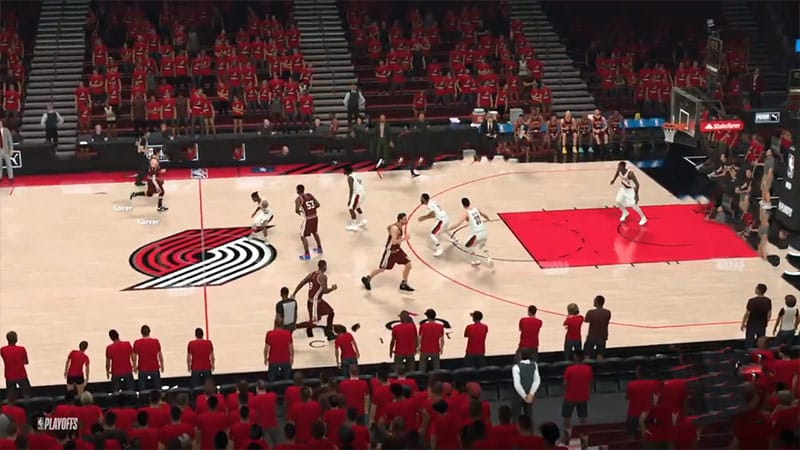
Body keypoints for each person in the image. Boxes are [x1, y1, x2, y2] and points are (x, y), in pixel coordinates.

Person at [361, 213, 415, 292]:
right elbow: (394, 242)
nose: (406, 221)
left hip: (398, 251)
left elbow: (388, 227)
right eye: (404, 219)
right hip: (390, 252)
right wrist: (405, 238)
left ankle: (404, 284)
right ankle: (368, 278)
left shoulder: (398, 226)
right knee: (382, 268)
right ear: (400, 220)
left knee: (408, 265)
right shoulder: (395, 228)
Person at [291, 259, 338, 341]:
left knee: (331, 312)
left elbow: (302, 283)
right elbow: (324, 291)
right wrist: (332, 288)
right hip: (315, 303)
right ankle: (293, 326)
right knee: (313, 323)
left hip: (314, 301)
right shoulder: (323, 277)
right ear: (324, 267)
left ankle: (330, 333)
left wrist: (294, 293)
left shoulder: (312, 274)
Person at [448, 197, 492, 267]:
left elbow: (457, 224)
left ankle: (475, 260)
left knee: (467, 246)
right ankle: (489, 257)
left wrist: (448, 229)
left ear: (462, 205)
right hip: (484, 231)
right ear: (469, 203)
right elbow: (484, 215)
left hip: (476, 234)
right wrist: (488, 219)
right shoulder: (476, 209)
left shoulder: (466, 213)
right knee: (482, 244)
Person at [562, 350, 593, 434]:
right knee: (583, 417)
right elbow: (590, 383)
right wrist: (588, 393)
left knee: (567, 416)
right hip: (583, 396)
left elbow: (564, 383)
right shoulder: (588, 369)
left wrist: (565, 391)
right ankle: (584, 434)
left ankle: (568, 434)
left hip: (570, 396)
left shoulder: (569, 369)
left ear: (575, 357)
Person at [610, 161, 647, 226]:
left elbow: (637, 184)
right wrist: (613, 180)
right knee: (618, 201)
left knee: (633, 205)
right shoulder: (619, 170)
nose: (618, 167)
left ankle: (643, 218)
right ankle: (625, 212)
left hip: (631, 190)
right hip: (623, 189)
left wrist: (636, 195)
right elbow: (617, 174)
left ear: (623, 167)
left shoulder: (630, 173)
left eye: (619, 166)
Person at [295, 184, 323, 261]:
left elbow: (296, 210)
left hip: (308, 218)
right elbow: (318, 204)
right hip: (315, 216)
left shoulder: (298, 199)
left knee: (302, 236)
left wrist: (301, 212)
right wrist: (311, 209)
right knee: (314, 232)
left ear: (297, 191)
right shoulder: (310, 195)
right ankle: (319, 248)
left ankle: (307, 254)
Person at [133, 325, 164, 391]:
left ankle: (143, 397)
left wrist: (134, 365)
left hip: (142, 368)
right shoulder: (155, 341)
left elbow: (134, 355)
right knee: (157, 388)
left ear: (141, 332)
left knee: (142, 388)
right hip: (154, 367)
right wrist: (162, 364)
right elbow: (160, 354)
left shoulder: (137, 343)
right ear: (149, 332)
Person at [511, 349, 541, 420]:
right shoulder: (534, 365)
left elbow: (517, 385)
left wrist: (524, 396)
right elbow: (537, 380)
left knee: (516, 416)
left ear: (520, 356)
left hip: (518, 395)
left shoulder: (516, 367)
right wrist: (531, 394)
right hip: (529, 394)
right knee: (529, 416)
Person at [0, 332, 30, 399]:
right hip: (21, 375)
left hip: (9, 376)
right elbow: (26, 362)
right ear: (16, 339)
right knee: (26, 395)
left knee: (11, 397)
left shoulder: (2, 350)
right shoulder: (22, 349)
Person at [741, 283, 772, 348]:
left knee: (749, 343)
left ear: (758, 290)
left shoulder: (752, 301)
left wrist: (743, 324)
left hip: (751, 325)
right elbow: (769, 314)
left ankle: (749, 353)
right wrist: (766, 322)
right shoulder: (768, 301)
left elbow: (747, 314)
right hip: (762, 325)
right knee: (761, 344)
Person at [264, 317, 293, 381]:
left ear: (274, 324)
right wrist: (291, 357)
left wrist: (265, 358)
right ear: (283, 324)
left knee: (271, 379)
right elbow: (291, 347)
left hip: (273, 360)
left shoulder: (269, 334)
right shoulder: (288, 333)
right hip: (285, 360)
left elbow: (266, 348)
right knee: (287, 379)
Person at [344, 166, 367, 231]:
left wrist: (350, 199)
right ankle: (364, 221)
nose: (344, 172)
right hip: (362, 192)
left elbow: (351, 189)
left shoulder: (349, 178)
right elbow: (360, 182)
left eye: (344, 171)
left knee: (351, 209)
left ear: (347, 171)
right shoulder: (356, 175)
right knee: (357, 207)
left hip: (357, 194)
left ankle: (354, 226)